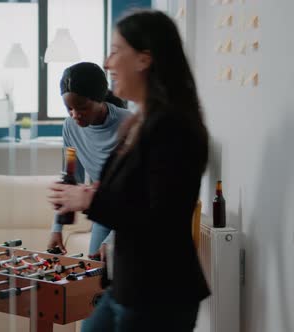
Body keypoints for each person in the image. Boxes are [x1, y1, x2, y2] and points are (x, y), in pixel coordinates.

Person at [48, 10, 210, 331]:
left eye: (115, 50)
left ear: (143, 59)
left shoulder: (173, 126)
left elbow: (160, 216)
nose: (107, 64)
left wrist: (88, 200)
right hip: (126, 284)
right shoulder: (139, 124)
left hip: (158, 293)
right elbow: (128, 194)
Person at [46, 62, 131, 259]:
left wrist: (112, 241)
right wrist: (56, 228)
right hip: (102, 210)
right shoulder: (69, 127)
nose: (75, 115)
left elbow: (135, 190)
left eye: (82, 108)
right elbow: (70, 179)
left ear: (100, 99)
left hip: (130, 210)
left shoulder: (128, 124)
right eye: (69, 109)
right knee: (95, 274)